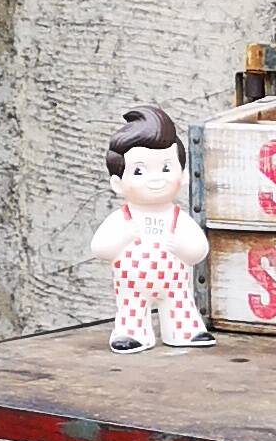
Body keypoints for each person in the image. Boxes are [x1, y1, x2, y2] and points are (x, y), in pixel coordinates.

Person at [90, 103, 212, 351]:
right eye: (139, 171)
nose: (155, 179)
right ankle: (131, 333)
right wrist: (120, 238)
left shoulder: (178, 218)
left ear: (184, 175)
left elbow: (199, 250)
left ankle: (184, 331)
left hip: (175, 283)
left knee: (180, 303)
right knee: (131, 309)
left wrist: (183, 247)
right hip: (132, 286)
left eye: (166, 168)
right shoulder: (122, 219)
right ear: (118, 183)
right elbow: (100, 248)